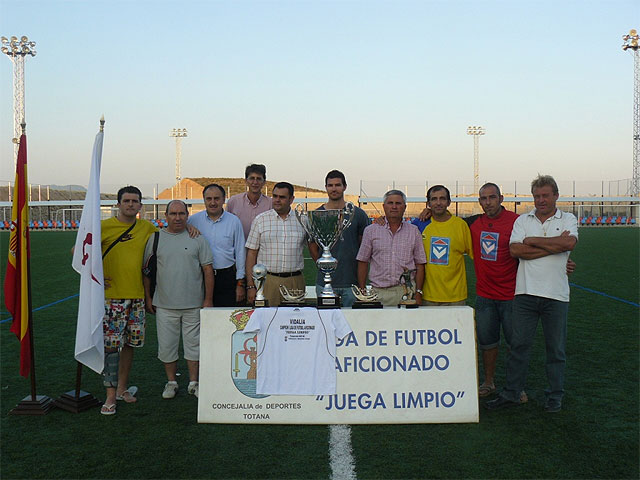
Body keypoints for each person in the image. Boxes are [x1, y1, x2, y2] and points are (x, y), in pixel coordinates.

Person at [486, 175, 578, 413]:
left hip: (556, 296)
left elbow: (568, 245)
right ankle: (512, 393)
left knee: (555, 350)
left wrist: (534, 241)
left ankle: (554, 396)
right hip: (525, 294)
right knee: (518, 346)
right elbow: (516, 250)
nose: (541, 200)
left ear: (556, 195)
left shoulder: (568, 218)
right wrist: (553, 246)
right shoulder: (523, 219)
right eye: (537, 196)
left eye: (545, 195)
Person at [143, 200, 214, 399]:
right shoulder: (155, 238)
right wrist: (148, 297)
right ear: (165, 216)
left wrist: (207, 299)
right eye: (173, 214)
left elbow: (208, 269)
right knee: (167, 346)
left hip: (194, 304)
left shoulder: (197, 238)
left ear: (187, 215)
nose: (177, 217)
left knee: (194, 346)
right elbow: (147, 272)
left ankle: (194, 382)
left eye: (181, 213)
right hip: (165, 304)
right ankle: (172, 382)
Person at [98, 186, 157, 415]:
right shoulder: (104, 227)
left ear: (141, 205)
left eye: (135, 201)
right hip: (112, 298)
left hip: (137, 298)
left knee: (130, 345)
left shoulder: (147, 228)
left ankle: (122, 388)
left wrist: (190, 228)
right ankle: (110, 396)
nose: (130, 204)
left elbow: (168, 236)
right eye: (126, 200)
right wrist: (96, 278)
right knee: (111, 347)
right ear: (118, 204)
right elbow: (78, 252)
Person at [308, 170, 370, 307]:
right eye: (330, 185)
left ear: (344, 187)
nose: (334, 189)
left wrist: (362, 284)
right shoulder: (318, 214)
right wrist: (324, 265)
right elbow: (312, 245)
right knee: (327, 323)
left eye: (337, 185)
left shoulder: (358, 214)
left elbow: (363, 247)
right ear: (326, 188)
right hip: (325, 283)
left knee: (353, 323)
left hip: (351, 282)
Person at [245, 182, 310, 307]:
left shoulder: (303, 220)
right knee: (268, 322)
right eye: (275, 196)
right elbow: (251, 254)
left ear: (291, 199)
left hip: (294, 282)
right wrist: (251, 286)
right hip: (267, 281)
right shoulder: (261, 220)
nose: (277, 200)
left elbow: (313, 247)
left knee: (294, 323)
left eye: (282, 197)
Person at [356, 190, 426, 306]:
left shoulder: (414, 231)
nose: (394, 207)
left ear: (404, 207)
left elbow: (420, 264)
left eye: (398, 203)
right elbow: (363, 261)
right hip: (378, 293)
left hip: (406, 292)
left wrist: (418, 292)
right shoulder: (371, 231)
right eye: (390, 203)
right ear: (384, 206)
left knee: (406, 324)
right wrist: (363, 291)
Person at [188, 183, 246, 306]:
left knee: (224, 319)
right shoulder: (193, 221)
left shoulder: (234, 221)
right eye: (209, 199)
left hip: (226, 278)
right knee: (201, 319)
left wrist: (240, 283)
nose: (213, 203)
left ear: (223, 199)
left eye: (216, 198)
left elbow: (240, 253)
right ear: (204, 200)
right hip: (200, 277)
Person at [421, 185, 473, 306]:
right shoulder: (421, 224)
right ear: (428, 203)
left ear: (449, 202)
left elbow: (473, 255)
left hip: (456, 296)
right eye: (434, 199)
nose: (438, 203)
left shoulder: (460, 225)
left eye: (442, 198)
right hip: (428, 295)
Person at [226, 164, 273, 240]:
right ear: (246, 181)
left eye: (259, 179)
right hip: (239, 249)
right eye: (252, 178)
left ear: (264, 182)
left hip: (263, 250)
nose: (255, 182)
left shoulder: (270, 204)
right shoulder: (234, 202)